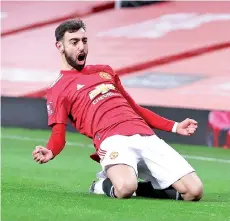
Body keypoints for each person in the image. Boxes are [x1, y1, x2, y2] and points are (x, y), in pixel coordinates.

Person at [32, 19, 203, 201]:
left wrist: (176, 127)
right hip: (112, 140)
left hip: (145, 135)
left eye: (84, 41)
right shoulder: (58, 89)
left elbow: (134, 108)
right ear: (60, 46)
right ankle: (101, 185)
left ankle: (142, 189)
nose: (81, 47)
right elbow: (59, 132)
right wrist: (51, 151)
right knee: (125, 188)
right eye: (74, 42)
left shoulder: (105, 71)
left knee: (194, 191)